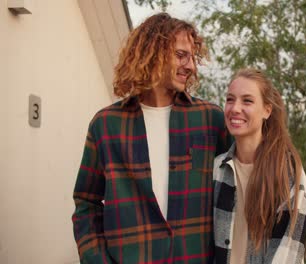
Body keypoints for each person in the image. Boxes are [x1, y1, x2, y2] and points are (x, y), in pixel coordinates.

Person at [72, 13, 230, 263]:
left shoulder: (211, 120)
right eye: (180, 55)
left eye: (192, 57)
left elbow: (238, 188)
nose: (190, 66)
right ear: (153, 53)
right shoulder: (106, 124)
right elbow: (86, 203)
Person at [213, 68, 306, 263]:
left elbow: (287, 254)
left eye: (247, 101)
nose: (235, 108)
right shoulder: (217, 169)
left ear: (267, 110)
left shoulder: (288, 172)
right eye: (230, 99)